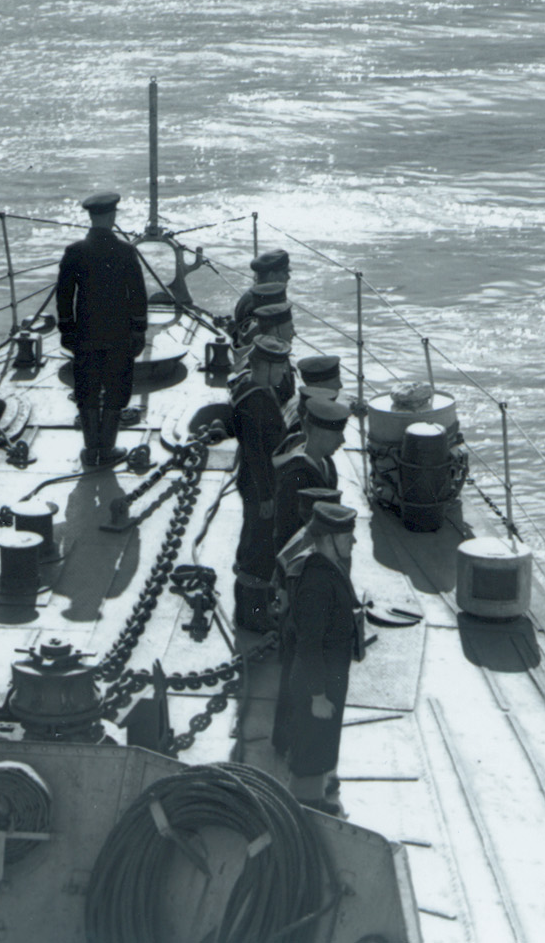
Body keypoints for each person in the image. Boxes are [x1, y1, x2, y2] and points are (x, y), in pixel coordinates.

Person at [277, 499, 364, 809]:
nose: (353, 540)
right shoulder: (316, 582)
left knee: (319, 740)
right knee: (312, 745)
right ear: (327, 539)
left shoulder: (323, 566)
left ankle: (316, 792)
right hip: (319, 679)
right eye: (347, 535)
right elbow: (309, 644)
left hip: (327, 675)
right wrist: (317, 694)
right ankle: (307, 806)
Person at [55, 190, 150, 469]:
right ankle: (106, 449)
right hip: (118, 337)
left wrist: (66, 330)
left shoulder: (74, 252)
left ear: (91, 217)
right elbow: (138, 295)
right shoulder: (125, 251)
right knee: (116, 388)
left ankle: (90, 449)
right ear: (112, 216)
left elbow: (63, 296)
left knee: (86, 389)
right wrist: (138, 330)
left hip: (84, 336)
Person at [228, 331, 292, 632]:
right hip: (259, 486)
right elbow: (256, 454)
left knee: (252, 540)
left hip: (254, 482)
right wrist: (267, 496)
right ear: (263, 366)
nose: (282, 372)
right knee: (260, 549)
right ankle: (252, 615)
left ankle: (251, 603)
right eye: (278, 367)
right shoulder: (255, 402)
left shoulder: (252, 389)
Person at [269, 394, 348, 560]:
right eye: (337, 434)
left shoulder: (327, 464)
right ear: (319, 433)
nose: (343, 440)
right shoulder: (296, 477)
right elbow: (284, 535)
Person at [231, 249, 290, 334]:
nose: (288, 277)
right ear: (272, 276)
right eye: (285, 273)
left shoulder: (256, 296)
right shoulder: (260, 304)